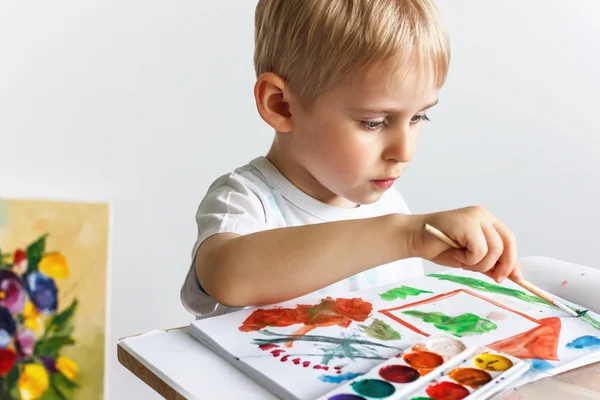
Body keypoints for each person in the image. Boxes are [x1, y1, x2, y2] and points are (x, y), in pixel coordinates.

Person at [180, 0, 522, 319]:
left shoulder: (390, 206)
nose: (404, 152)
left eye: (418, 118)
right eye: (373, 122)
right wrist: (407, 237)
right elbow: (228, 277)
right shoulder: (244, 201)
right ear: (281, 105)